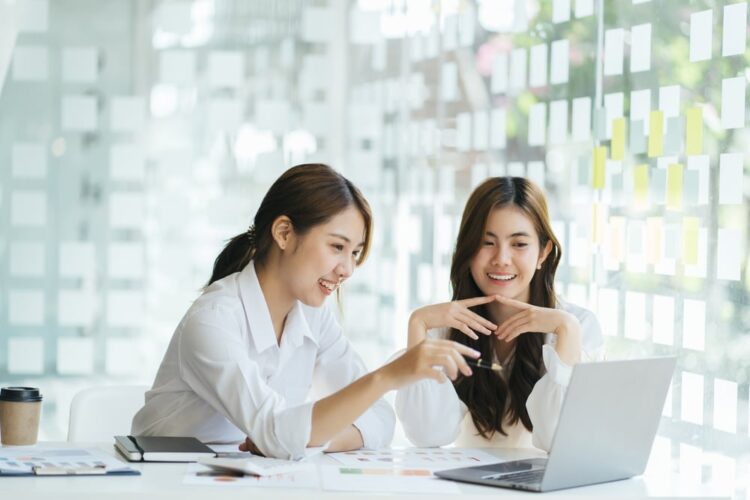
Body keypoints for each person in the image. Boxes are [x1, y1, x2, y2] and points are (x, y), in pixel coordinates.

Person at [131, 163, 479, 459]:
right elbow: (276, 432)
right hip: (167, 481)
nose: (347, 269)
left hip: (252, 480)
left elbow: (379, 420)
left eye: (354, 253)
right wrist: (387, 376)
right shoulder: (213, 320)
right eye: (337, 247)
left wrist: (312, 438)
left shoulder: (313, 316)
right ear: (284, 233)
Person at [395, 176, 604, 451]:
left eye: (519, 244)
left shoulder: (578, 326)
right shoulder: (442, 327)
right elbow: (427, 435)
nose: (501, 259)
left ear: (543, 253)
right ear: (467, 250)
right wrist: (418, 325)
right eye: (486, 242)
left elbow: (560, 441)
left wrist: (566, 329)